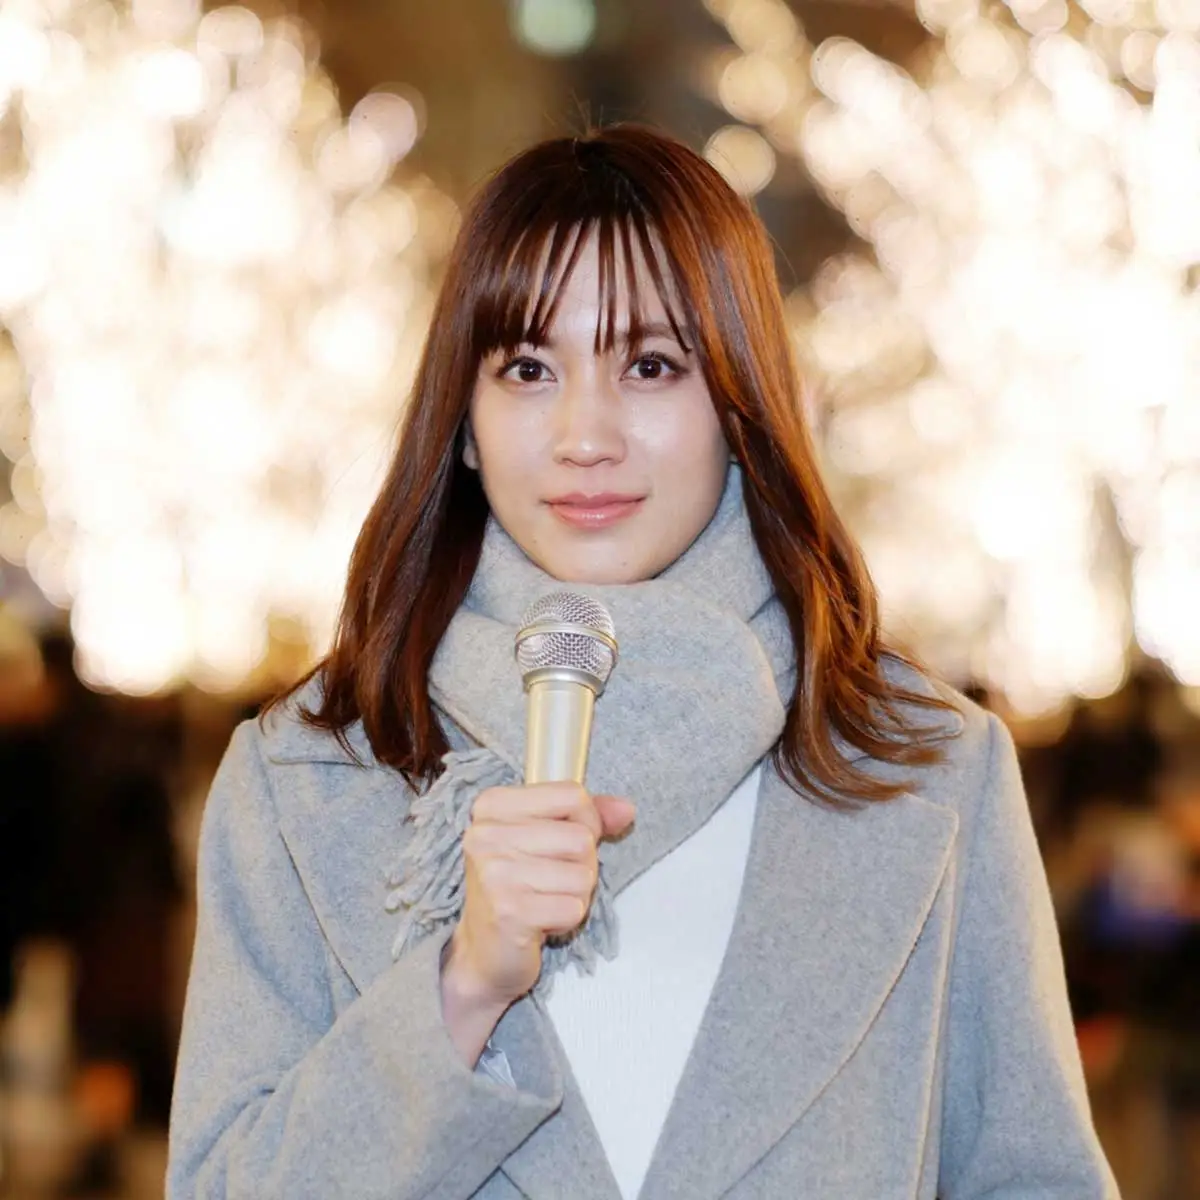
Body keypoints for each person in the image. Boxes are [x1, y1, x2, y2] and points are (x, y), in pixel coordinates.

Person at [166, 124, 1119, 1198]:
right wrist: (458, 993)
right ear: (465, 422)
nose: (586, 434)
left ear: (739, 404)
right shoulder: (308, 778)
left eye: (652, 366)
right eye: (529, 368)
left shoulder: (923, 766)